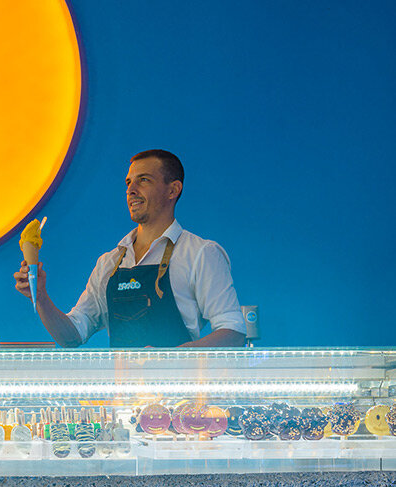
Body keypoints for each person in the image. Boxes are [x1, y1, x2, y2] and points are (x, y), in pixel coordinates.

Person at [14, 149, 246, 348]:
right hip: (124, 399)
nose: (131, 189)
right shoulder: (109, 262)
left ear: (173, 190)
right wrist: (41, 297)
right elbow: (72, 336)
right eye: (128, 182)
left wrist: (172, 359)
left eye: (144, 180)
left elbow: (233, 333)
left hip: (180, 398)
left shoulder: (200, 253)